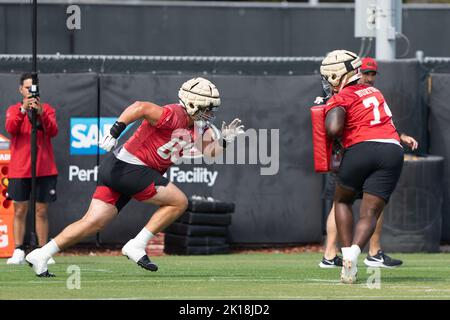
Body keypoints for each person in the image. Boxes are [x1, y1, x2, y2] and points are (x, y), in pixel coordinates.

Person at [25, 77, 244, 277]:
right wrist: (114, 132)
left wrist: (225, 141)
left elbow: (210, 153)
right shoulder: (173, 114)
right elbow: (140, 107)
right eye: (207, 109)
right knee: (179, 202)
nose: (210, 114)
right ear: (193, 104)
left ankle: (42, 254)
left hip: (118, 168)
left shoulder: (198, 128)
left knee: (93, 221)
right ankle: (137, 245)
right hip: (130, 167)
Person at [318, 57, 418, 269]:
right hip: (391, 150)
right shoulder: (376, 93)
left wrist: (329, 117)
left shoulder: (341, 96)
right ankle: (354, 253)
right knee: (371, 212)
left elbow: (334, 129)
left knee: (342, 201)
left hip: (360, 149)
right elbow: (380, 122)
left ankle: (342, 254)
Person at [5, 73, 58, 265]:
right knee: (20, 210)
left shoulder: (48, 109)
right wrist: (22, 109)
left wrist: (41, 113)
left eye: (33, 88)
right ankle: (18, 249)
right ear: (21, 89)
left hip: (44, 168)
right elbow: (11, 128)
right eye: (27, 88)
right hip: (20, 169)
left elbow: (53, 131)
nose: (30, 91)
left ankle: (43, 250)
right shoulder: (13, 109)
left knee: (41, 211)